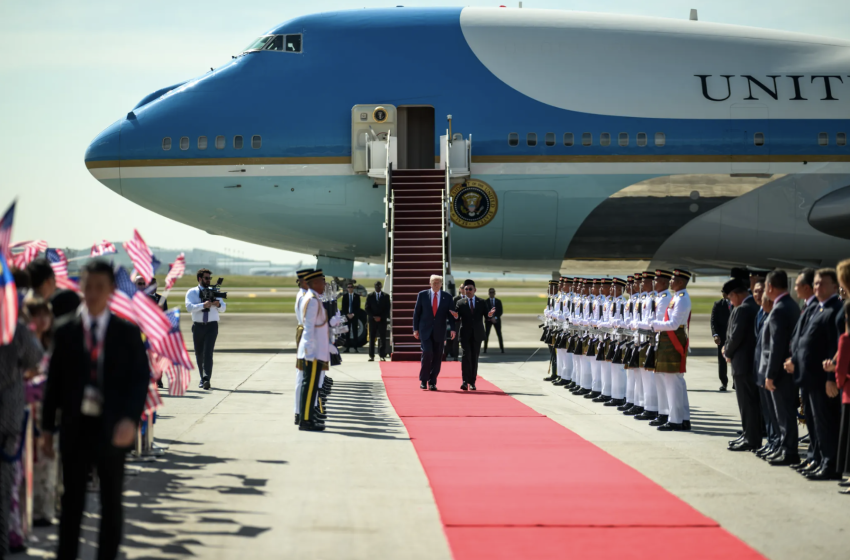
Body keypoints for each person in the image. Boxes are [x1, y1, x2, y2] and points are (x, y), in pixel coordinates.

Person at [41, 259, 150, 560]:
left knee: (111, 502)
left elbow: (140, 380)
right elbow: (54, 385)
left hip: (113, 427)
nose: (92, 293)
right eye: (87, 287)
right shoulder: (66, 332)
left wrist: (130, 418)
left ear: (111, 290)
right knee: (72, 503)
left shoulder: (126, 333)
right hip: (75, 427)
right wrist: (47, 429)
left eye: (99, 287)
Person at [786, 268, 842, 480]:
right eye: (816, 283)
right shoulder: (819, 309)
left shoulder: (835, 310)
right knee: (816, 424)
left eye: (822, 284)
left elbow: (834, 348)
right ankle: (819, 459)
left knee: (826, 424)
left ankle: (830, 464)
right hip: (810, 378)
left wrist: (831, 378)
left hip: (822, 379)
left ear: (835, 287)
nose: (817, 287)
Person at [759, 270, 801, 466]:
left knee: (783, 414)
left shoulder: (779, 309)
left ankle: (789, 451)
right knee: (786, 413)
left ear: (769, 287)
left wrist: (770, 374)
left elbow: (776, 346)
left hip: (780, 372)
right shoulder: (791, 305)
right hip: (788, 370)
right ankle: (787, 449)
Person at [646, 269, 692, 431]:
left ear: (680, 282)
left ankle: (676, 420)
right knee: (670, 382)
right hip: (666, 341)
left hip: (673, 341)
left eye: (673, 280)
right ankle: (678, 417)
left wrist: (653, 325)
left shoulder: (682, 299)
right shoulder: (676, 298)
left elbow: (674, 324)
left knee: (673, 383)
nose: (670, 282)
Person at [296, 270, 336, 432]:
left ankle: (308, 418)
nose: (324, 284)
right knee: (309, 385)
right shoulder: (312, 301)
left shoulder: (314, 299)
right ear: (313, 283)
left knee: (311, 386)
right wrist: (310, 352)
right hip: (312, 352)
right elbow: (308, 328)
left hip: (317, 350)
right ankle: (305, 420)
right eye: (321, 281)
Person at [724, 279, 762, 451]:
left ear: (736, 294)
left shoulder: (742, 309)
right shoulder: (754, 307)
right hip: (751, 363)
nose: (730, 301)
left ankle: (751, 439)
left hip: (743, 363)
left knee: (747, 404)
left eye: (730, 297)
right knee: (751, 404)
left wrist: (727, 352)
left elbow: (735, 336)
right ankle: (749, 435)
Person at [412, 275, 456, 391]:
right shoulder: (422, 295)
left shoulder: (447, 297)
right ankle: (423, 380)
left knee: (437, 356)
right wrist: (415, 329)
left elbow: (451, 315)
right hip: (425, 330)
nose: (436, 284)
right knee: (427, 353)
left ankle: (432, 381)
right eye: (434, 282)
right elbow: (417, 313)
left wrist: (453, 328)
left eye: (438, 282)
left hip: (439, 331)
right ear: (430, 283)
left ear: (442, 284)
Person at [185, 268, 226, 390]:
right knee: (199, 353)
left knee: (208, 352)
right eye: (206, 278)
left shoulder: (215, 291)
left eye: (209, 278)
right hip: (198, 326)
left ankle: (207, 378)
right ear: (200, 279)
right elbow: (189, 307)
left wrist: (218, 304)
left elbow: (223, 308)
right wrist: (203, 305)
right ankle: (202, 378)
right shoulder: (192, 292)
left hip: (212, 326)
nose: (208, 280)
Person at [452, 279, 495, 390]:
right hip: (465, 334)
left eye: (470, 289)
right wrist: (455, 316)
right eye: (466, 289)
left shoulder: (481, 302)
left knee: (474, 358)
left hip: (477, 334)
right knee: (466, 357)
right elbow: (457, 318)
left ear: (475, 290)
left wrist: (489, 315)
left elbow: (487, 316)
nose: (468, 291)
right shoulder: (460, 303)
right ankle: (465, 381)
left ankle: (472, 382)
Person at [754, 290, 780, 459]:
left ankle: (776, 443)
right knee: (767, 411)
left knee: (775, 413)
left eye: (762, 299)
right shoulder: (760, 314)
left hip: (770, 370)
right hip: (761, 369)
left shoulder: (774, 316)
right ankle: (771, 442)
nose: (759, 300)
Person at [293, 268, 313, 425]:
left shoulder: (305, 295)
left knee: (305, 374)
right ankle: (299, 412)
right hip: (305, 334)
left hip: (305, 332)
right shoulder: (304, 296)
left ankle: (301, 411)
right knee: (302, 375)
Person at [711, 288, 732, 391]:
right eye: (723, 292)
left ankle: (736, 383)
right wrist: (715, 334)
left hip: (735, 336)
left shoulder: (737, 303)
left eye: (726, 292)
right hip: (722, 336)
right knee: (722, 360)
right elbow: (713, 321)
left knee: (737, 359)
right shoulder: (718, 304)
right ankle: (724, 383)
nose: (724, 294)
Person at [365, 281, 390, 362]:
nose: (378, 287)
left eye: (379, 286)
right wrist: (373, 317)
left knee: (382, 338)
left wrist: (381, 317)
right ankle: (371, 356)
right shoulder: (370, 296)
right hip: (372, 320)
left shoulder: (386, 296)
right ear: (374, 287)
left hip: (382, 320)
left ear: (381, 287)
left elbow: (387, 309)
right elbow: (367, 308)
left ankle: (382, 355)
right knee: (372, 338)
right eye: (376, 286)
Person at [341, 282, 361, 353]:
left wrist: (353, 314)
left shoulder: (357, 296)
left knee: (355, 332)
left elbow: (358, 307)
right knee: (347, 332)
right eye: (348, 287)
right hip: (347, 316)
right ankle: (347, 348)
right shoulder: (345, 296)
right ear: (347, 288)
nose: (350, 288)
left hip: (354, 316)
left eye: (351, 287)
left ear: (353, 288)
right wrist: (347, 314)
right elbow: (343, 307)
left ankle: (355, 348)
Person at [483, 288, 504, 353]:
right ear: (488, 293)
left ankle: (502, 349)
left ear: (494, 293)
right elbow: (484, 311)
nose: (491, 294)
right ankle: (485, 349)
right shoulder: (486, 302)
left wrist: (495, 318)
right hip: (489, 320)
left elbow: (500, 311)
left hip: (496, 320)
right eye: (490, 292)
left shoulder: (498, 301)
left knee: (499, 334)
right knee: (487, 334)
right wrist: (490, 318)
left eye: (492, 292)